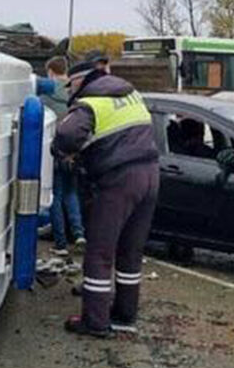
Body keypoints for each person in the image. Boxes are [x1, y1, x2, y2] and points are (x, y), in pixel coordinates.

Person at [54, 59, 159, 337]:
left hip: (118, 180)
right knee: (130, 252)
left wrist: (65, 153)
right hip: (150, 175)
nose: (69, 91)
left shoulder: (90, 103)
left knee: (99, 253)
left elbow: (65, 135)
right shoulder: (130, 93)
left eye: (70, 85)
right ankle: (125, 315)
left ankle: (95, 321)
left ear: (79, 81)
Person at [42, 56, 86, 255]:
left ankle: (60, 244)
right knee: (72, 193)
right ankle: (78, 233)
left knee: (56, 196)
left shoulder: (45, 95)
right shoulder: (76, 93)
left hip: (54, 151)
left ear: (51, 71)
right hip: (74, 151)